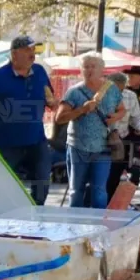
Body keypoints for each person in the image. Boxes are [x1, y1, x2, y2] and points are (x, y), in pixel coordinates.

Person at [0, 35, 57, 204]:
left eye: (33, 50)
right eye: (27, 50)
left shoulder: (40, 72)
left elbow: (50, 98)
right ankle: (2, 218)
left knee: (42, 180)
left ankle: (36, 213)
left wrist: (53, 103)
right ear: (14, 54)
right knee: (2, 185)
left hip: (36, 139)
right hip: (7, 143)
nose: (32, 54)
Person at [55, 51, 125, 208]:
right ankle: (74, 225)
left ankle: (99, 226)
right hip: (78, 147)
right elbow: (59, 118)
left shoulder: (111, 89)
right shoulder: (74, 92)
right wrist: (82, 109)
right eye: (86, 67)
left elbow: (122, 109)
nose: (89, 70)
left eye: (93, 66)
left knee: (99, 190)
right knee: (76, 190)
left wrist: (116, 117)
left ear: (102, 70)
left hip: (103, 147)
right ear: (81, 70)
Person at [106, 70, 140, 198]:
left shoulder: (130, 96)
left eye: (121, 89)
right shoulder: (100, 95)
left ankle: (113, 204)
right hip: (101, 141)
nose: (118, 93)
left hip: (121, 142)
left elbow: (136, 118)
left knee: (118, 174)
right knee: (105, 177)